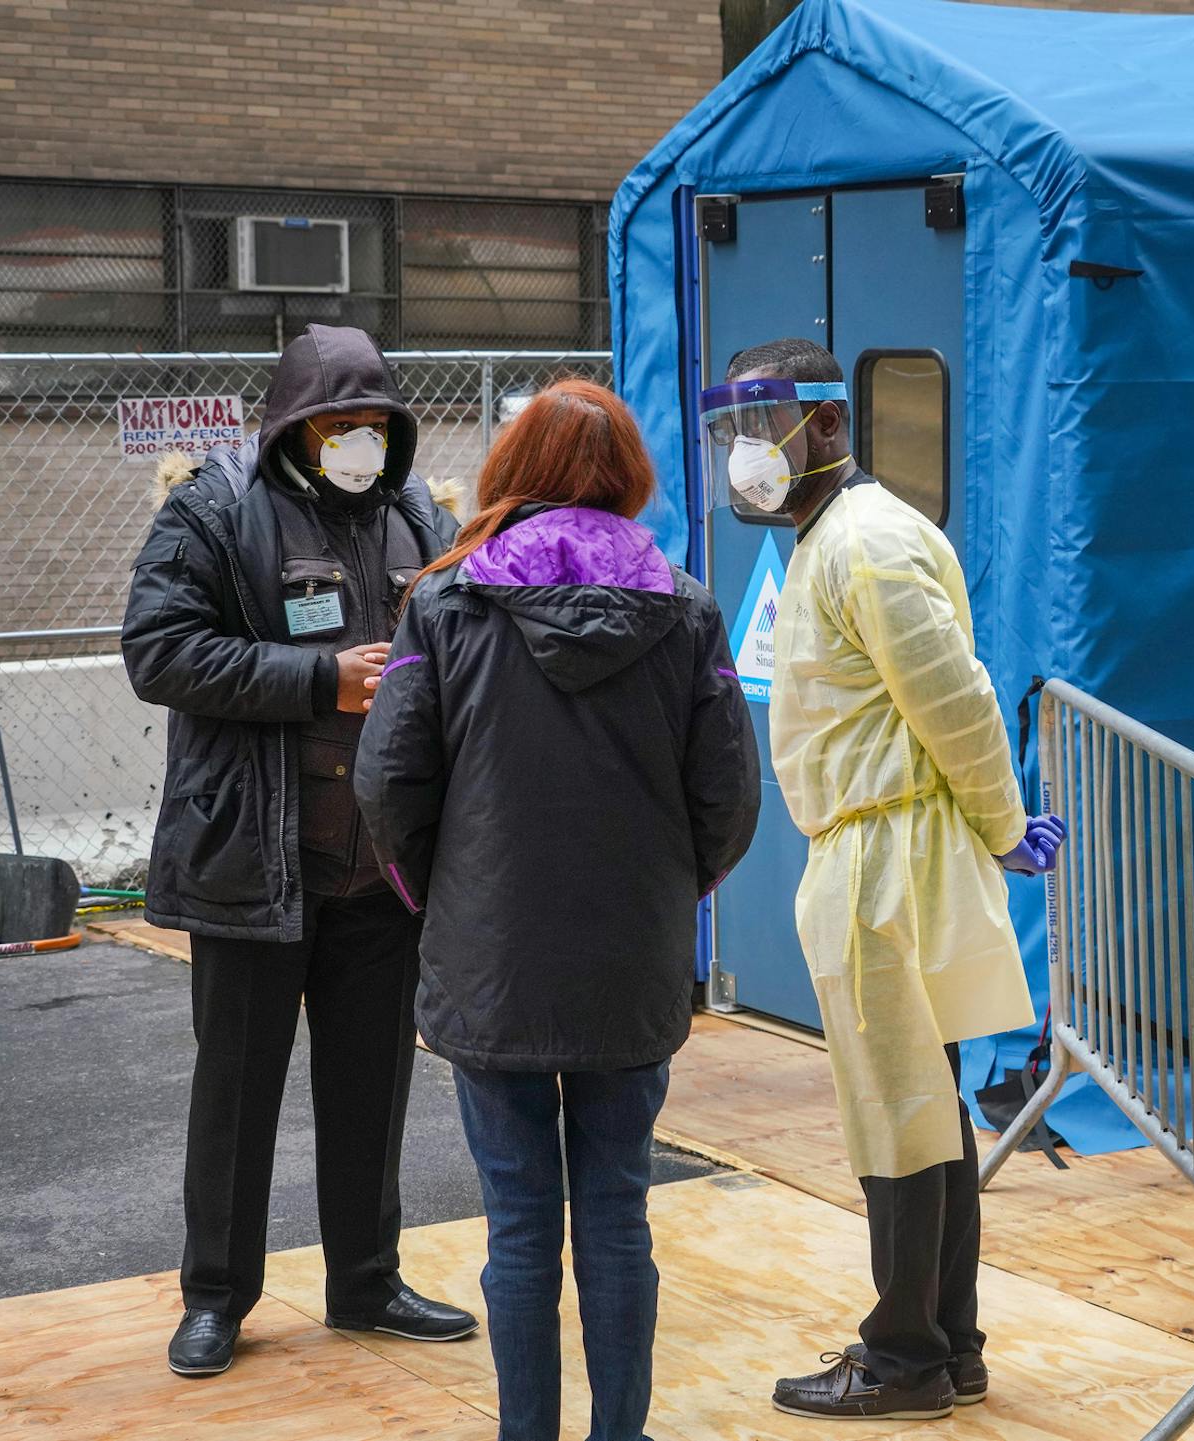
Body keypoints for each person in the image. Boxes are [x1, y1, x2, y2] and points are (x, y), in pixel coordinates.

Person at [355, 379, 760, 1441]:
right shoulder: (686, 605)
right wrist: (673, 893)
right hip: (632, 962)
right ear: (627, 474)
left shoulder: (443, 605)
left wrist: (446, 896)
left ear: (510, 472)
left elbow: (387, 786)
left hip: (492, 965)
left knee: (520, 1226)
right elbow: (728, 797)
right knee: (618, 1213)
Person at [698, 339, 1065, 1422]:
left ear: (826, 424)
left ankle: (904, 1356)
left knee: (897, 1109)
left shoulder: (863, 542)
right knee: (927, 1107)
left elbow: (956, 697)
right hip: (882, 850)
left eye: (764, 428)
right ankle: (949, 1346)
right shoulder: (834, 538)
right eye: (733, 433)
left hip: (887, 862)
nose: (747, 454)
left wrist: (1001, 825)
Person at [122, 324, 477, 1377]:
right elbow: (159, 648)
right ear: (291, 423)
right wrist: (320, 679)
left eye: (375, 424)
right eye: (338, 424)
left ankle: (365, 1281)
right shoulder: (215, 507)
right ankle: (218, 1296)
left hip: (380, 867)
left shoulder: (419, 513)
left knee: (371, 1084)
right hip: (254, 858)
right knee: (238, 1086)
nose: (358, 441)